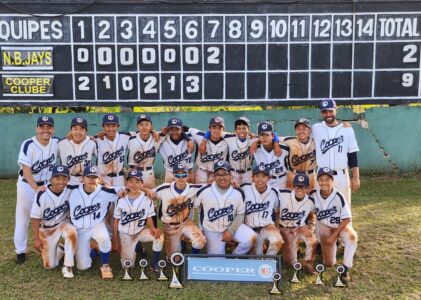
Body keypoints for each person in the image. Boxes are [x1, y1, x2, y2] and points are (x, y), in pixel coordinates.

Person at [14, 116, 59, 264]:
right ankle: (20, 251)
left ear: (53, 129)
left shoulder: (57, 142)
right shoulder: (28, 144)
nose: (45, 130)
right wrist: (36, 188)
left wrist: (99, 135)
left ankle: (46, 247)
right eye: (42, 126)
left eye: (49, 127)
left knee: (45, 217)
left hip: (45, 185)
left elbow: (75, 137)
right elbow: (26, 170)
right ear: (37, 129)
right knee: (24, 217)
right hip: (27, 185)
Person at [194, 161, 256, 255]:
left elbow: (240, 214)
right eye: (218, 175)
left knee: (251, 238)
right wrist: (199, 228)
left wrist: (230, 231)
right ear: (214, 176)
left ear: (230, 175)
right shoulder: (203, 191)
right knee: (217, 261)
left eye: (225, 174)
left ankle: (236, 255)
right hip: (212, 231)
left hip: (231, 226)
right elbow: (195, 208)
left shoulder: (238, 192)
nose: (222, 177)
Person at [69, 166, 120, 279]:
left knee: (104, 238)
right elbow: (55, 188)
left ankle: (105, 264)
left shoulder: (106, 191)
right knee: (83, 266)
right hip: (79, 229)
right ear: (83, 178)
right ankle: (95, 250)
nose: (92, 180)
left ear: (100, 179)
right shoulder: (72, 190)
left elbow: (127, 189)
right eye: (89, 177)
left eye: (95, 177)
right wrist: (42, 188)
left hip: (96, 225)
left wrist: (144, 190)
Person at [310, 167, 358, 283]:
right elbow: (307, 212)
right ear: (318, 181)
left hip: (339, 226)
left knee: (352, 237)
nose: (324, 182)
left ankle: (346, 268)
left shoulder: (338, 195)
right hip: (324, 227)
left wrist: (334, 236)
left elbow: (346, 218)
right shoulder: (313, 195)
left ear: (332, 181)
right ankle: (326, 247)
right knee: (329, 263)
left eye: (327, 179)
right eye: (321, 179)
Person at [312, 99, 360, 209]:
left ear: (335, 110)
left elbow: (352, 154)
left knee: (344, 210)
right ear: (321, 113)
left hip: (341, 176)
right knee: (322, 210)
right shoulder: (316, 128)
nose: (328, 114)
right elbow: (301, 136)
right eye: (324, 112)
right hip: (322, 176)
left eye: (330, 111)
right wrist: (275, 140)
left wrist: (356, 177)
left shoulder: (347, 129)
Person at [30, 165, 77, 278]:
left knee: (71, 232)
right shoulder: (42, 194)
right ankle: (61, 249)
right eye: (57, 178)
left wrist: (108, 186)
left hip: (63, 224)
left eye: (64, 178)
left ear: (68, 180)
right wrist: (36, 238)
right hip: (46, 229)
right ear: (51, 179)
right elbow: (35, 217)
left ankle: (68, 266)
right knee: (50, 265)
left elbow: (89, 185)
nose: (61, 181)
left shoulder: (71, 189)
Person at [113, 169, 163, 272]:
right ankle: (137, 248)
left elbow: (149, 216)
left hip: (140, 231)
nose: (134, 185)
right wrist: (115, 239)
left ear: (142, 183)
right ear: (126, 183)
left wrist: (153, 228)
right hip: (125, 234)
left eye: (137, 181)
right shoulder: (121, 198)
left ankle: (154, 264)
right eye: (131, 181)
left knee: (159, 237)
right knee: (128, 266)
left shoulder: (147, 198)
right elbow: (116, 220)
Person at [154, 163, 206, 259]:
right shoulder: (165, 188)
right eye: (178, 175)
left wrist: (230, 182)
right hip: (170, 227)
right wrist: (128, 190)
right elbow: (150, 193)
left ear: (188, 175)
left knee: (200, 240)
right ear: (173, 175)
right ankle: (178, 244)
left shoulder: (193, 188)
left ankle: (192, 259)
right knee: (174, 259)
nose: (181, 178)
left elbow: (211, 186)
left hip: (185, 223)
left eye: (183, 175)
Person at [278, 173, 317, 274]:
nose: (300, 189)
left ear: (307, 188)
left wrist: (311, 230)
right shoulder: (282, 194)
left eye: (303, 187)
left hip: (300, 227)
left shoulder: (311, 201)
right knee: (290, 262)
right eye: (297, 186)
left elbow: (313, 215)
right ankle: (292, 246)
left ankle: (308, 263)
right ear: (293, 186)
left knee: (312, 240)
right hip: (284, 228)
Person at [242, 165, 283, 256]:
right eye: (257, 176)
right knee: (255, 258)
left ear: (269, 178)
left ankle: (268, 261)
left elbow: (277, 211)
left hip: (267, 226)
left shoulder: (274, 192)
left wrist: (276, 227)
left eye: (264, 176)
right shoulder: (245, 189)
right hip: (251, 229)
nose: (260, 179)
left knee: (278, 241)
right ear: (252, 178)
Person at [190, 116, 233, 184]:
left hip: (217, 173)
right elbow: (186, 129)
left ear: (223, 129)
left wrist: (251, 135)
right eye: (214, 127)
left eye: (219, 128)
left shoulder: (228, 139)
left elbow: (241, 134)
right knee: (200, 191)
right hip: (201, 171)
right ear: (209, 128)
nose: (216, 130)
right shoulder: (199, 136)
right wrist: (188, 140)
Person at [127, 114, 164, 189]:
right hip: (133, 171)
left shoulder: (158, 136)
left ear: (151, 126)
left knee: (150, 196)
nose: (144, 127)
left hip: (148, 172)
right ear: (137, 126)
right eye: (141, 124)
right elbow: (113, 134)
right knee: (132, 195)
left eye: (147, 124)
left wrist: (188, 140)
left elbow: (176, 129)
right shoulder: (130, 137)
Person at [57, 117, 97, 185]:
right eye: (75, 129)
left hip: (86, 179)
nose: (78, 132)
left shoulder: (92, 142)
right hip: (67, 179)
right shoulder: (61, 143)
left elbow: (101, 159)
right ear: (71, 130)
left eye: (82, 129)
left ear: (86, 131)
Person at [282, 118, 317, 190]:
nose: (301, 131)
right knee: (291, 197)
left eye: (304, 129)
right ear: (295, 131)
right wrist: (256, 141)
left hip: (310, 176)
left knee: (310, 197)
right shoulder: (289, 140)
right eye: (298, 129)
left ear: (309, 130)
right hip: (293, 175)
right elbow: (273, 137)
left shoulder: (316, 141)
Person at [253, 122, 289, 189]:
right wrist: (256, 141)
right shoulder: (255, 148)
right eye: (262, 135)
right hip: (265, 181)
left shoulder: (284, 147)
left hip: (281, 180)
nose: (264, 138)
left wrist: (276, 142)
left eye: (267, 135)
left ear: (272, 135)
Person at [158, 117, 194, 183]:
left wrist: (188, 139)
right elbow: (147, 133)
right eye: (171, 129)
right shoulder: (161, 139)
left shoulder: (191, 136)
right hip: (170, 173)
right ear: (168, 130)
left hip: (186, 172)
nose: (174, 132)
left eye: (177, 129)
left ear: (182, 129)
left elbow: (206, 133)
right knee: (169, 192)